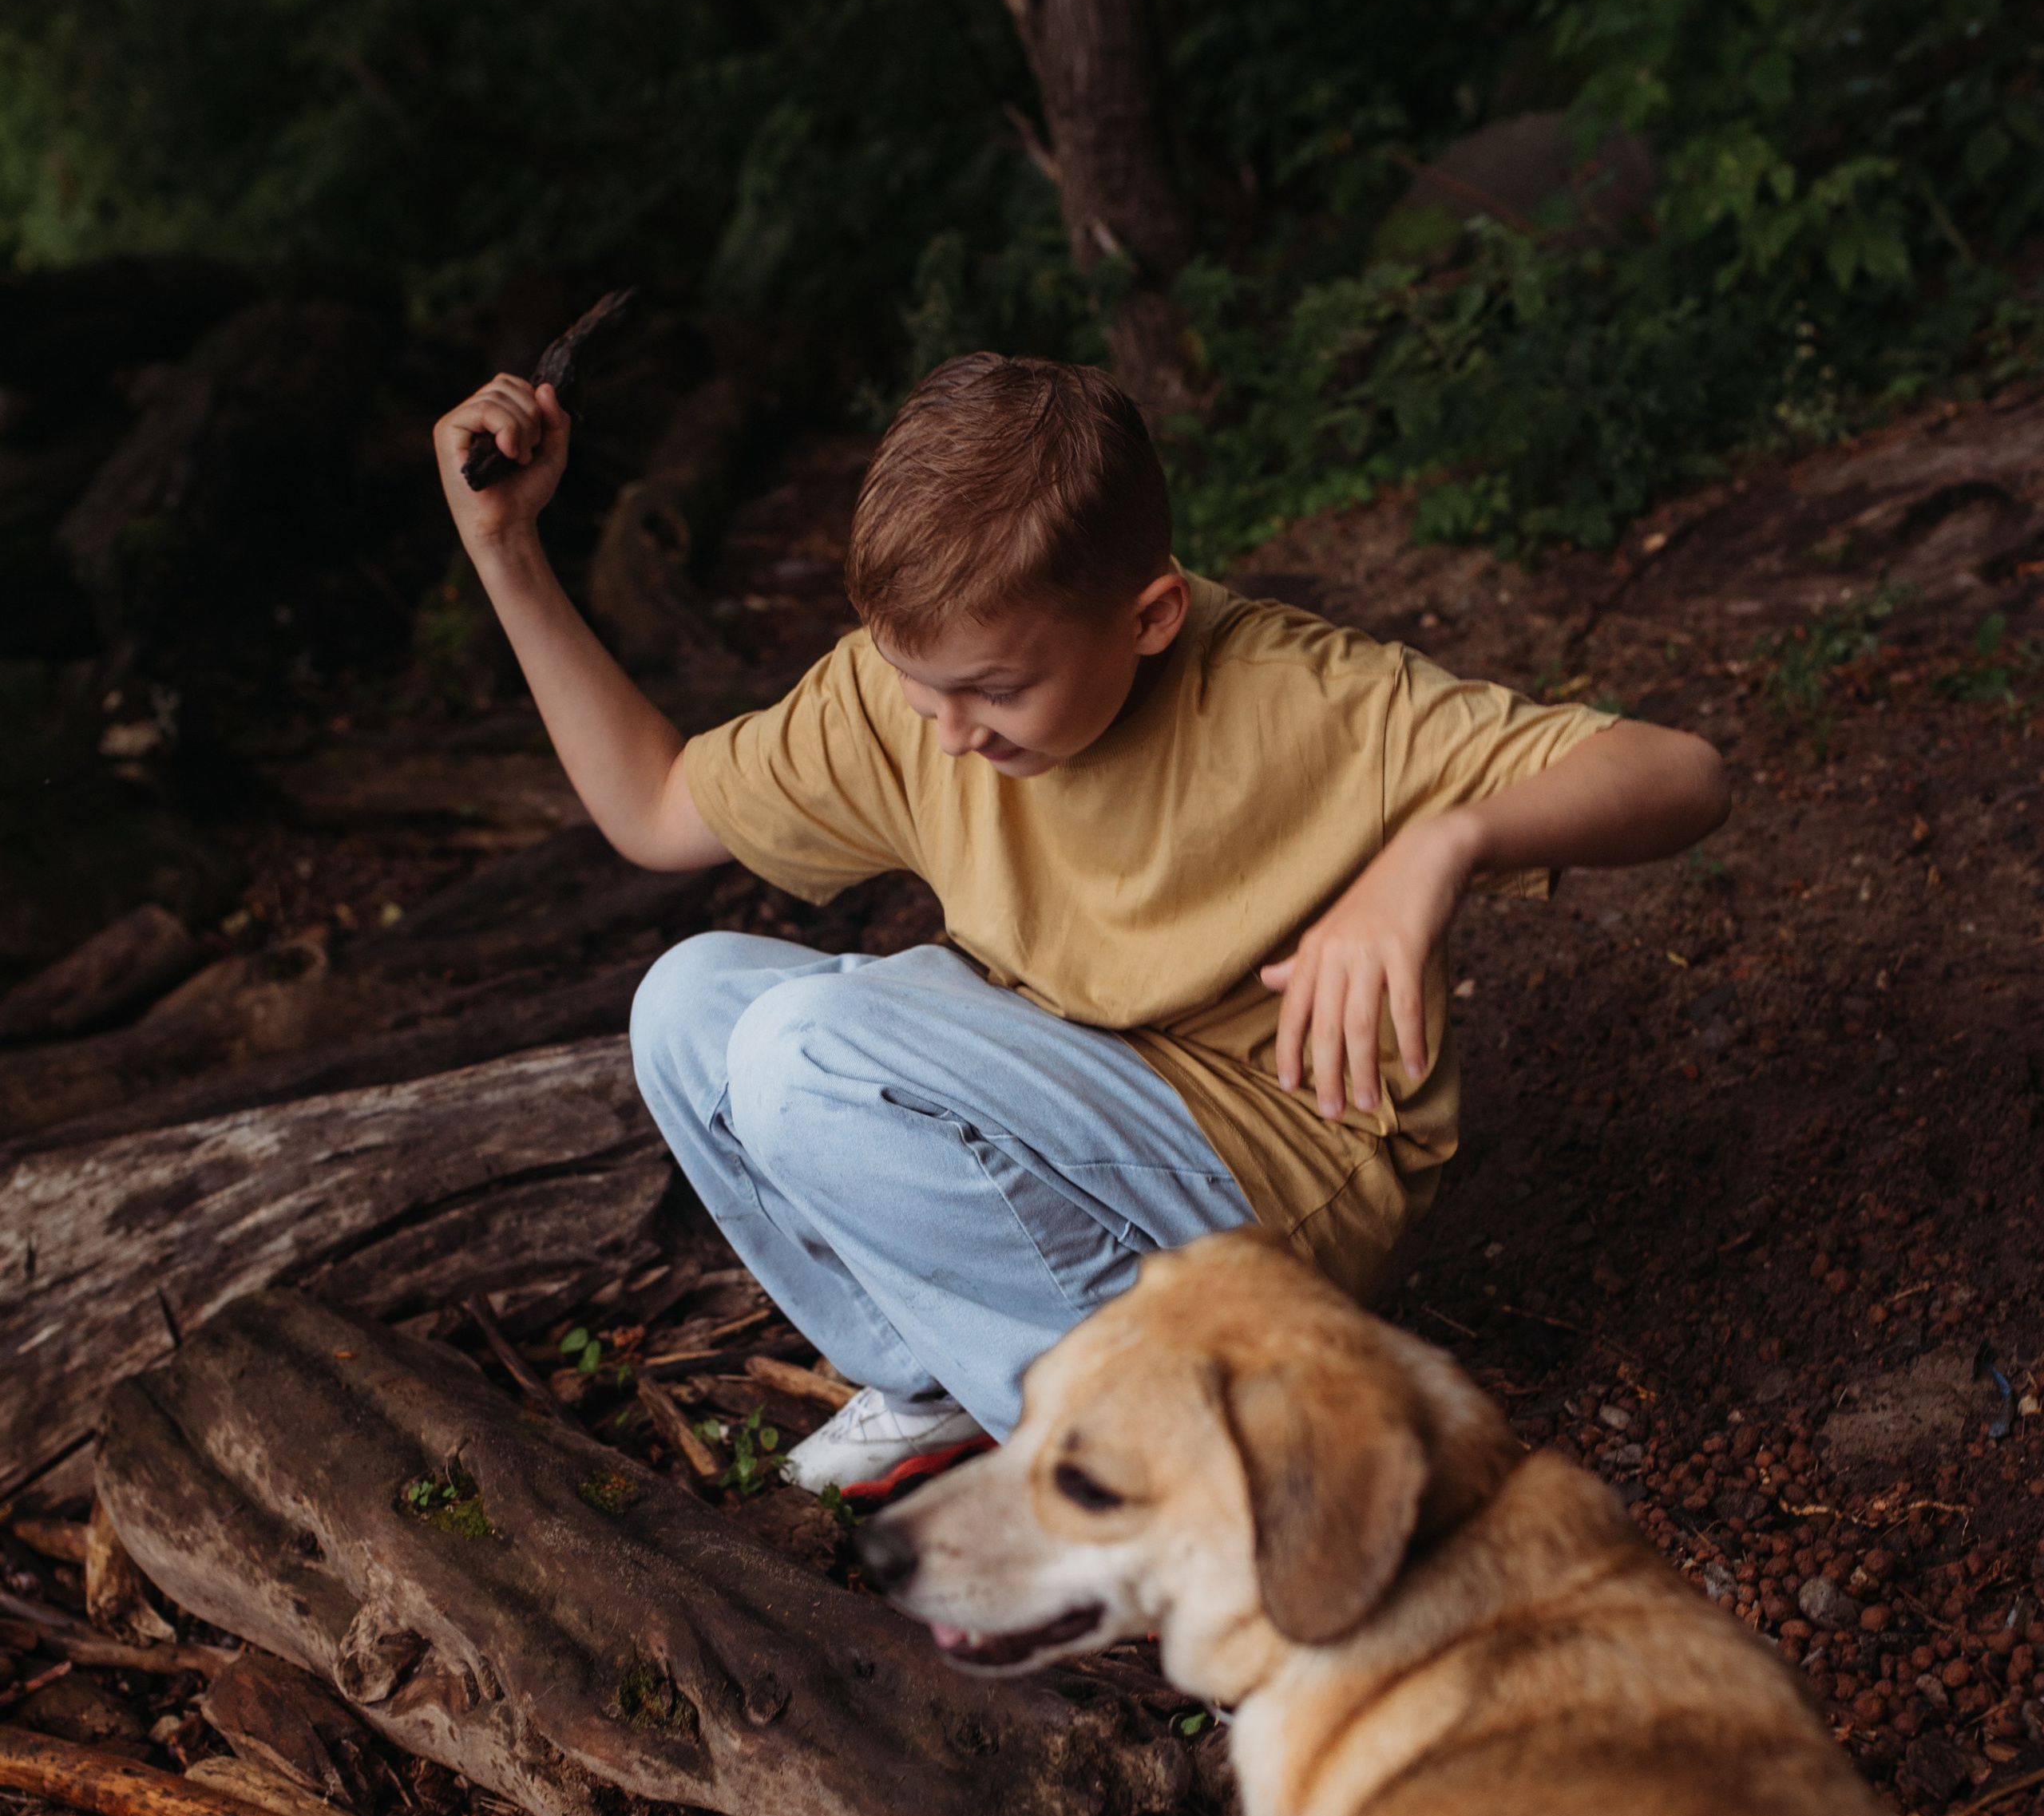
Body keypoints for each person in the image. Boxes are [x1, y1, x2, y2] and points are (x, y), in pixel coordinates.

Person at [434, 354, 1728, 1500]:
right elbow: (659, 810)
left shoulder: (1302, 700)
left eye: (994, 690)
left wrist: (1442, 846)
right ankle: (940, 1380)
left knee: (801, 1051)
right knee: (688, 1000)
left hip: (1272, 1171)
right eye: (913, 680)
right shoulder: (926, 692)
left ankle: (1176, 1477)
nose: (946, 733)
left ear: (1149, 615)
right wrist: (508, 552)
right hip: (1066, 1090)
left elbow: (1682, 775)